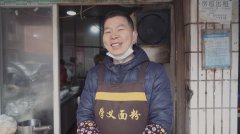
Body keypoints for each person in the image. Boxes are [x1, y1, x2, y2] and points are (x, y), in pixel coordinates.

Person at [76, 10, 173, 134]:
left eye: (120, 29)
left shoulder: (154, 73)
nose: (114, 35)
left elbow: (161, 122)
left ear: (134, 36)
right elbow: (85, 117)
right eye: (108, 31)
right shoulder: (94, 74)